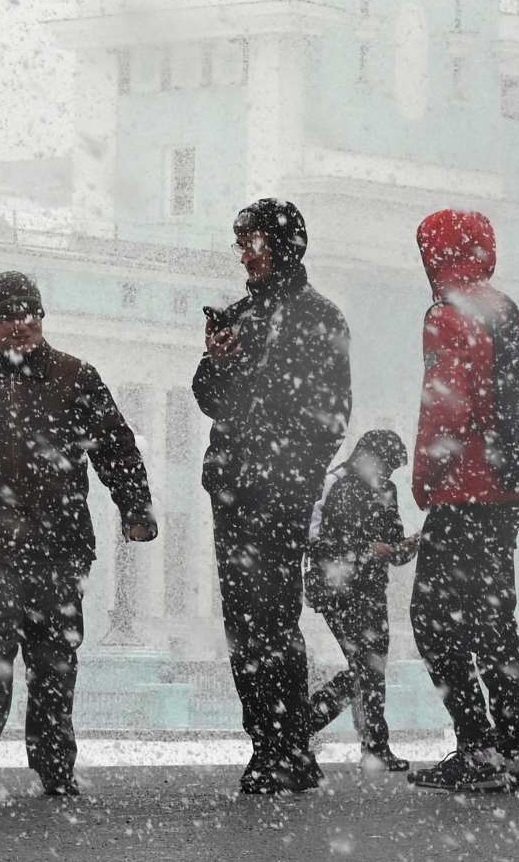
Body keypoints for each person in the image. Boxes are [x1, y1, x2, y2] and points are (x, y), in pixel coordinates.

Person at [0, 271, 157, 802]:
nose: (19, 325)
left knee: (54, 657)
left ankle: (54, 761)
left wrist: (136, 508)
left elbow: (117, 447)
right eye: (6, 316)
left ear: (41, 316)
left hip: (59, 547)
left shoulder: (76, 377)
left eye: (27, 313)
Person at [194, 199, 352, 795]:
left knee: (274, 619)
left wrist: (294, 477)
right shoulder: (239, 315)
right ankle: (272, 745)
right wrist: (218, 362)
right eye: (240, 244)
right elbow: (209, 398)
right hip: (234, 492)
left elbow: (333, 415)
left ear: (283, 247)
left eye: (254, 243)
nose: (244, 255)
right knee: (244, 623)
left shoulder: (320, 318)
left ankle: (284, 747)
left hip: (278, 496)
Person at [408, 208, 519, 794]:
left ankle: (476, 749)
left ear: (434, 254)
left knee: (433, 619)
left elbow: (446, 405)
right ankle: (513, 750)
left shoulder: (449, 313)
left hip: (463, 491)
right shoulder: (505, 309)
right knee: (494, 620)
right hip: (505, 492)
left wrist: (424, 477)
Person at [304, 429, 420, 772]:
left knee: (370, 669)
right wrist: (365, 549)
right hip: (336, 590)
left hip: (371, 590)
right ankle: (308, 727)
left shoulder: (387, 490)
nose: (388, 474)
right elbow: (312, 539)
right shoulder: (332, 482)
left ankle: (368, 745)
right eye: (387, 465)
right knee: (365, 668)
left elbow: (393, 546)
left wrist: (406, 548)